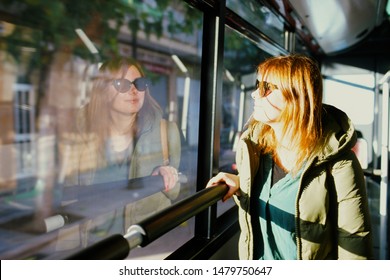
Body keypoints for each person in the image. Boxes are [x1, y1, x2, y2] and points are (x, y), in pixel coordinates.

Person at [207, 54, 372, 260]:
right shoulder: (255, 150)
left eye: (266, 87)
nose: (254, 95)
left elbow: (355, 242)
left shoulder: (339, 163)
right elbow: (271, 193)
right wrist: (240, 182)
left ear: (295, 96)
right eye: (257, 84)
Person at [57, 57, 181, 250]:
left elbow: (177, 192)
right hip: (94, 250)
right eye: (122, 84)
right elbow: (70, 201)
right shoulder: (79, 137)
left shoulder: (166, 132)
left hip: (144, 252)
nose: (133, 90)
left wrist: (167, 177)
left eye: (139, 84)